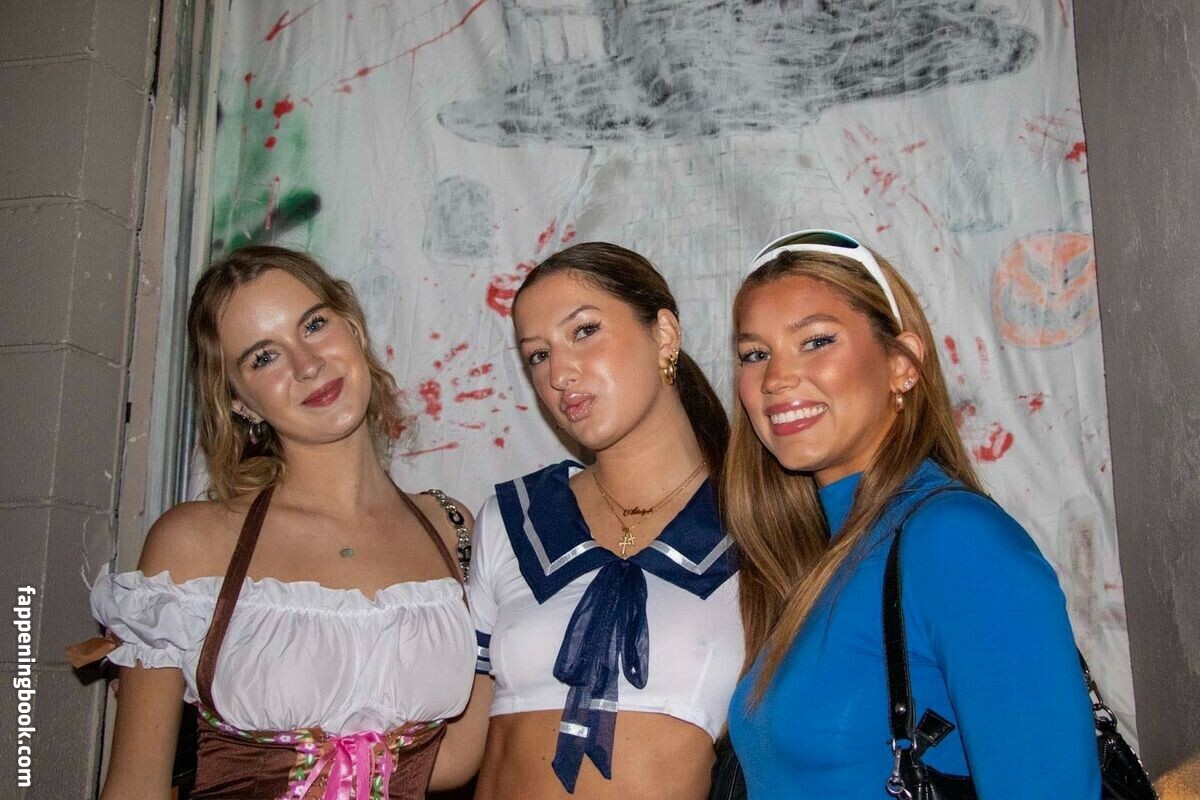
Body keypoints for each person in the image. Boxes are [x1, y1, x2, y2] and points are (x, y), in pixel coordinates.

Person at [72, 246, 479, 799]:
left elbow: (450, 763)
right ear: (239, 402)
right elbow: (135, 786)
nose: (307, 364)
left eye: (313, 325)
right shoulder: (192, 544)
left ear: (353, 327)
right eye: (264, 357)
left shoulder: (451, 526)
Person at [722, 230, 1101, 798]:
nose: (775, 378)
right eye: (755, 354)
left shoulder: (957, 543)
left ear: (902, 363)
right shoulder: (814, 555)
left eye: (816, 341)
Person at [464, 242, 743, 799]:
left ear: (665, 334)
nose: (559, 374)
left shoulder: (759, 522)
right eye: (537, 355)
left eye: (585, 331)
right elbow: (457, 746)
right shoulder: (513, 519)